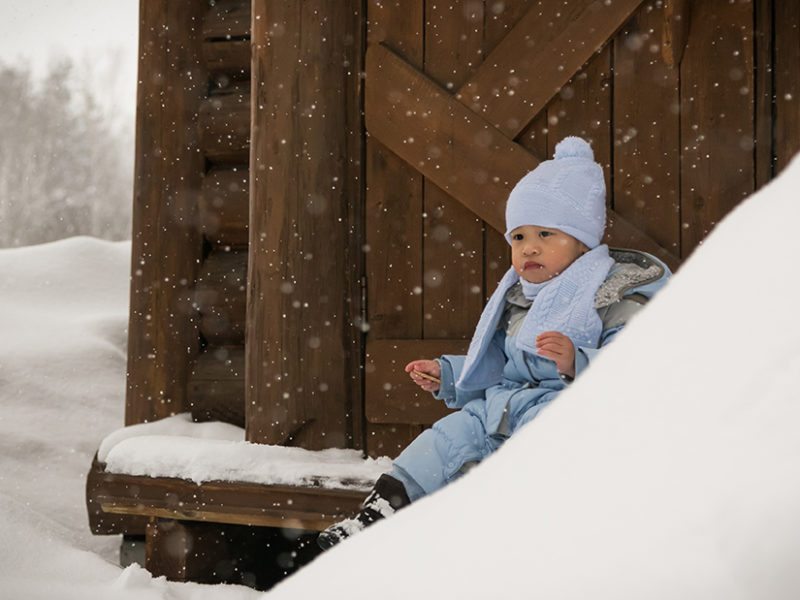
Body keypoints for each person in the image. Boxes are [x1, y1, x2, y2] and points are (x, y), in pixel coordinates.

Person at [317, 136, 671, 550]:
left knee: (535, 461)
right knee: (443, 439)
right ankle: (375, 515)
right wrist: (448, 374)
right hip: (501, 408)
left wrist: (578, 362)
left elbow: (637, 365)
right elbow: (498, 360)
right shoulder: (520, 297)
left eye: (545, 234)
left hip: (563, 416)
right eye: (518, 237)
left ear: (583, 242)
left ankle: (509, 536)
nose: (529, 247)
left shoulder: (611, 296)